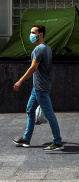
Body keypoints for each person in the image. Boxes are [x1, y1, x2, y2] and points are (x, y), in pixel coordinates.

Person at [13, 24, 64, 152]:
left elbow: (33, 68)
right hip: (38, 87)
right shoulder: (47, 48)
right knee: (30, 110)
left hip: (40, 88)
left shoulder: (38, 49)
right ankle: (26, 139)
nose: (31, 35)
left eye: (33, 32)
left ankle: (58, 142)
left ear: (40, 35)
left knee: (49, 114)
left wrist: (20, 81)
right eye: (31, 32)